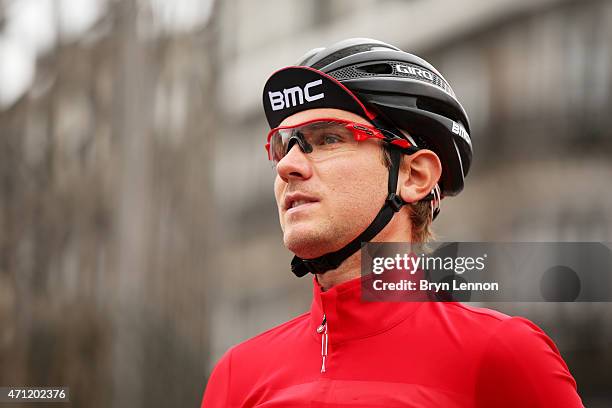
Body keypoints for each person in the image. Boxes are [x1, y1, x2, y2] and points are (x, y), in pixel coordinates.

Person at [201, 38, 583, 407]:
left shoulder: (504, 353)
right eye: (285, 146)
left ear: (415, 176)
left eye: (330, 138)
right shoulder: (238, 374)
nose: (287, 165)